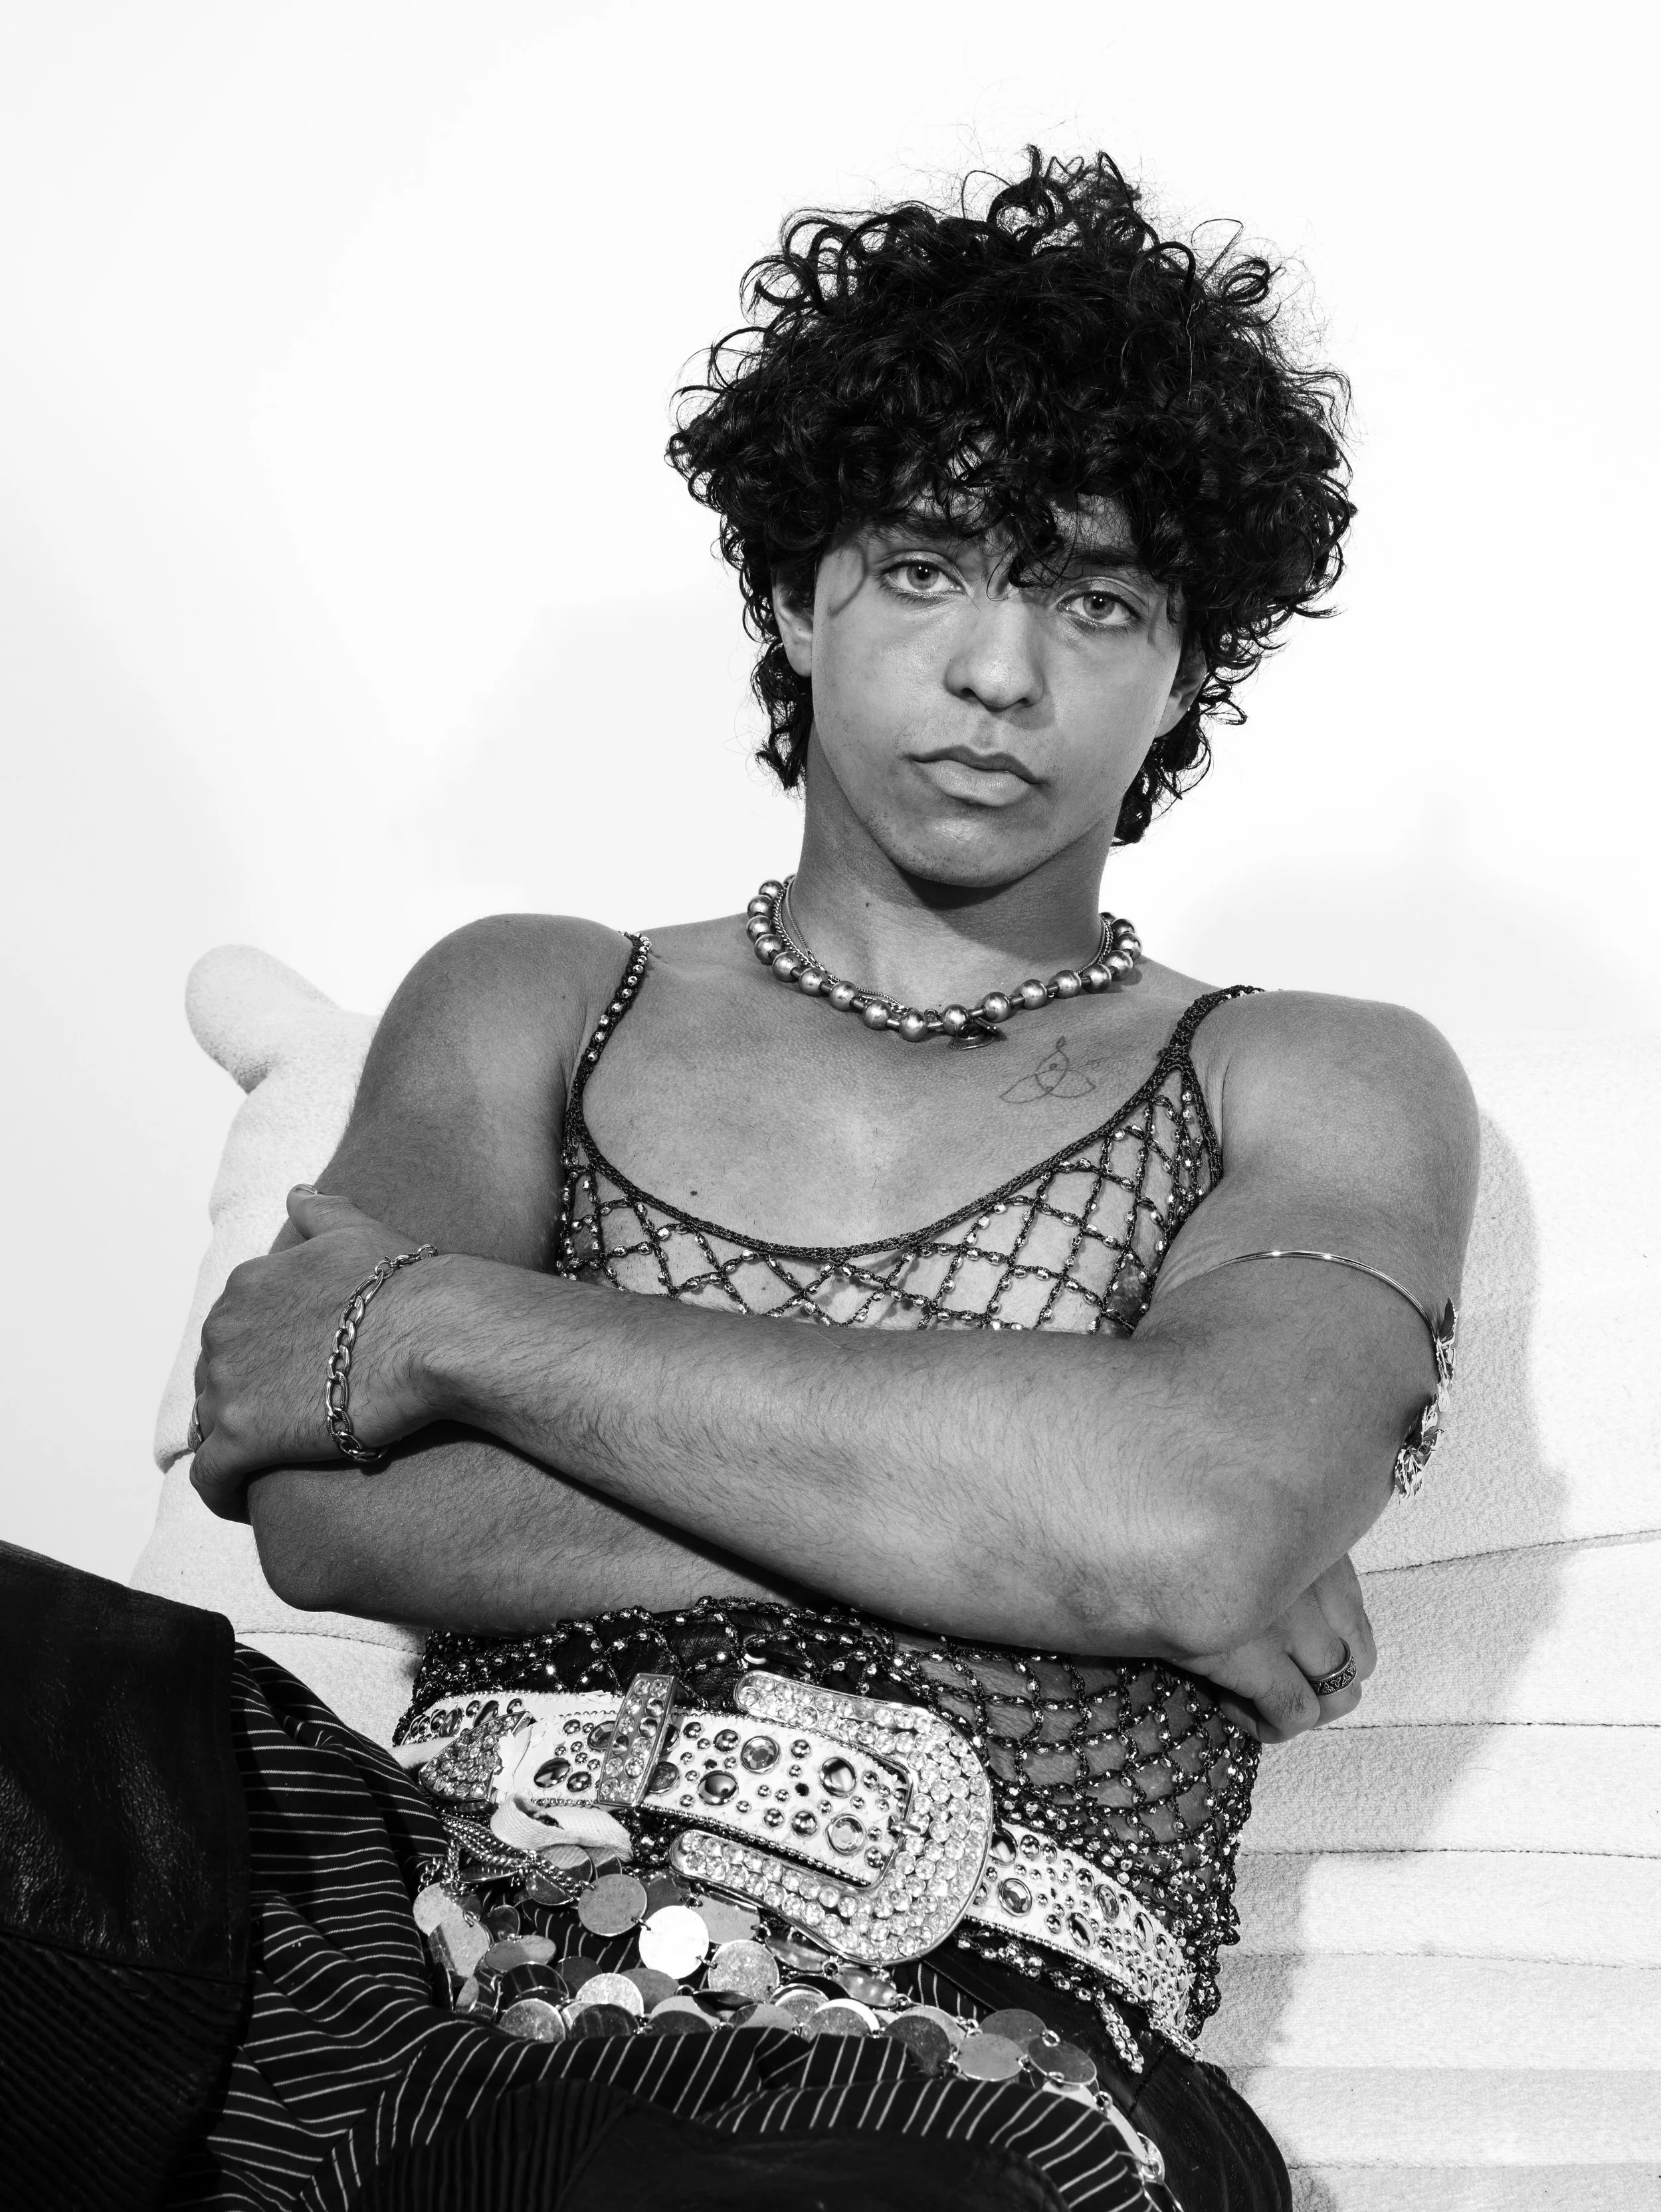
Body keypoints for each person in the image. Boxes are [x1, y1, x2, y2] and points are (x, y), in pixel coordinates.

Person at [177, 149, 1478, 2211]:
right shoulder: (536, 995)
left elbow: (1197, 1524)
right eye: (925, 567)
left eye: (1096, 600)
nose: (999, 672)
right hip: (392, 1948)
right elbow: (328, 1509)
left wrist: (442, 1326)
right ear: (795, 594)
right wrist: (1029, 1541)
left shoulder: (1313, 1073)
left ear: (1183, 666)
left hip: (966, 2063)